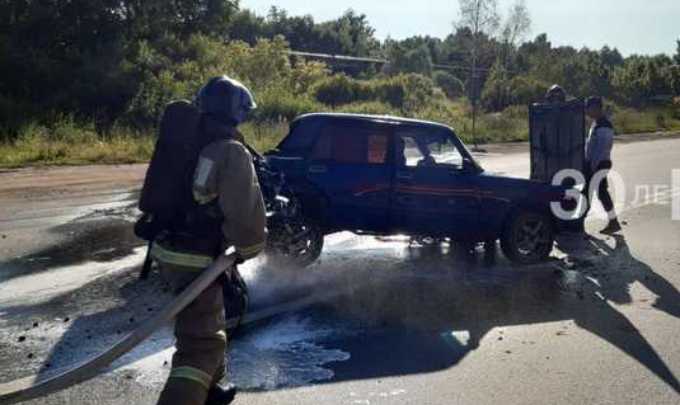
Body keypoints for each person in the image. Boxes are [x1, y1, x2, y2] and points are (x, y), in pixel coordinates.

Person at [153, 76, 267, 405]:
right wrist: (245, 250)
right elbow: (246, 218)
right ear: (236, 113)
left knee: (206, 325)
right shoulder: (229, 151)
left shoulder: (190, 142)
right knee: (200, 344)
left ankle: (211, 390)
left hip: (169, 248)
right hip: (198, 258)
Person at [584, 96, 621, 234]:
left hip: (599, 164)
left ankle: (578, 226)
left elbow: (602, 149)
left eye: (589, 108)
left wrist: (593, 169)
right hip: (596, 164)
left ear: (597, 108)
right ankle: (614, 222)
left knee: (589, 194)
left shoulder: (604, 125)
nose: (587, 111)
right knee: (600, 193)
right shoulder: (596, 123)